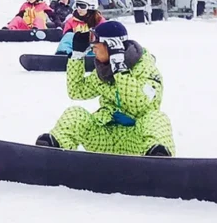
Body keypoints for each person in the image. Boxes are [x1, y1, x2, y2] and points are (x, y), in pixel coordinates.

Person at [36, 21, 175, 157]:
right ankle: (53, 151)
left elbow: (141, 104)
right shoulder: (103, 71)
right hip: (105, 138)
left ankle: (158, 158)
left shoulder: (146, 68)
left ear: (112, 46)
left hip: (138, 139)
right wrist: (77, 56)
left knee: (157, 118)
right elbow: (77, 91)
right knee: (75, 113)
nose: (93, 49)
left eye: (96, 46)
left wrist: (119, 70)